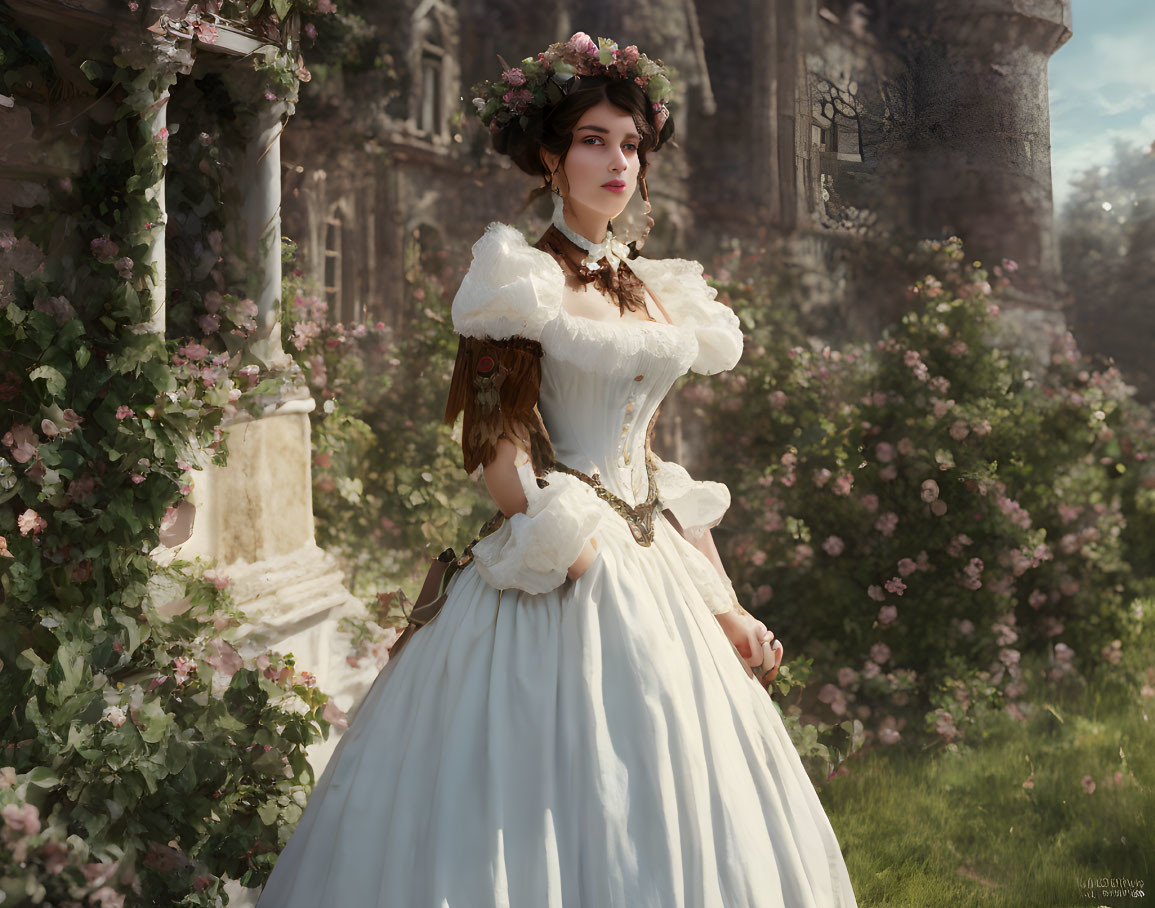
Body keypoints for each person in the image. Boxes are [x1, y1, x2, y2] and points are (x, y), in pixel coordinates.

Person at [256, 33, 858, 907]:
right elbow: (497, 448)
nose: (618, 161)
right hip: (565, 549)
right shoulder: (519, 278)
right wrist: (559, 544)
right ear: (550, 154)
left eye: (630, 144)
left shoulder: (657, 290)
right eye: (593, 140)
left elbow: (651, 464)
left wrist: (721, 603)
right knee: (546, 787)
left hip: (652, 551)